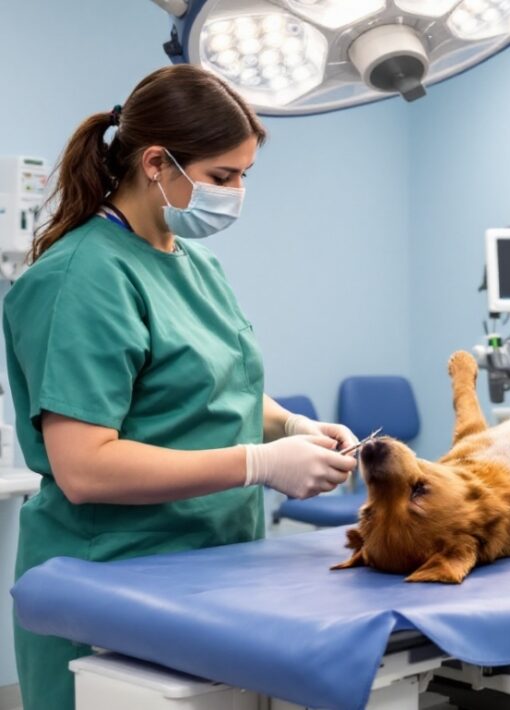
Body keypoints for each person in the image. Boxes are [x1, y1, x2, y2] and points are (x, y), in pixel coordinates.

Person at [4, 65, 359, 710]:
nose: (237, 192)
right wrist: (259, 463)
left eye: (245, 176)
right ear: (156, 164)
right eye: (223, 176)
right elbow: (84, 468)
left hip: (212, 570)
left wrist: (288, 427)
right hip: (111, 586)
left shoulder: (193, 264)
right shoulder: (81, 278)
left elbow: (214, 388)